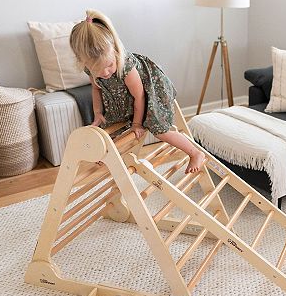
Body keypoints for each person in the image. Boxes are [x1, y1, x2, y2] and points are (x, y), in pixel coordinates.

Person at [69, 9, 205, 174]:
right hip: (123, 99)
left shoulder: (126, 66)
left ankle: (195, 153)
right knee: (109, 128)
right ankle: (111, 159)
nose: (105, 73)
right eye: (98, 69)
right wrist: (97, 113)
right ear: (85, 63)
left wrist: (137, 124)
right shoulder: (90, 69)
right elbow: (96, 89)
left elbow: (139, 96)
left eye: (109, 65)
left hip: (148, 94)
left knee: (160, 131)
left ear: (115, 51)